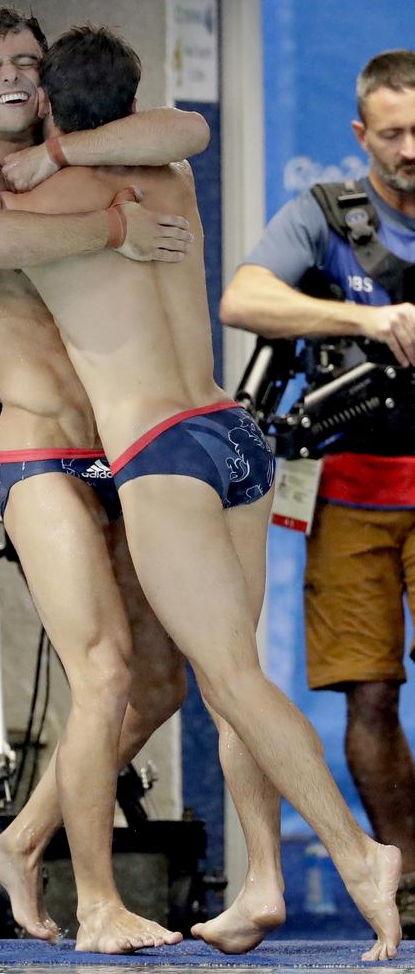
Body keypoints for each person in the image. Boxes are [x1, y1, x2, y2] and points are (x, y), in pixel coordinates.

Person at [0, 24, 403, 962]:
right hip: (235, 432)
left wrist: (40, 174)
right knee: (228, 681)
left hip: (158, 451)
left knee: (228, 680)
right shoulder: (163, 178)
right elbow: (181, 133)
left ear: (50, 102)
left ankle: (354, 853)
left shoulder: (40, 197)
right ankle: (261, 880)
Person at [0, 6, 257, 955]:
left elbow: (189, 130)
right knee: (99, 674)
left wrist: (71, 169)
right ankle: (96, 902)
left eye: (28, 60)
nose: (13, 74)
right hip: (42, 451)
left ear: (49, 83)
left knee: (158, 684)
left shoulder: (76, 150)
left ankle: (17, 844)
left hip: (131, 453)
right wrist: (109, 228)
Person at [220, 48, 415, 937]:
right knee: (366, 691)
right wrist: (365, 317)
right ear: (359, 135)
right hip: (348, 490)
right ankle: (403, 877)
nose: (411, 148)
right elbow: (244, 299)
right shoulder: (326, 215)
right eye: (393, 133)